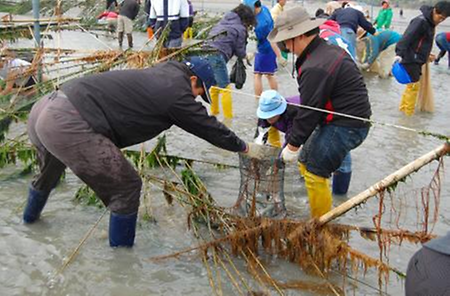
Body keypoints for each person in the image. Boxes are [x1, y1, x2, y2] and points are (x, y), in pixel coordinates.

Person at [23, 57, 262, 248]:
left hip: (45, 107)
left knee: (49, 173)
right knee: (126, 186)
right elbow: (208, 128)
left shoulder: (163, 72)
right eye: (200, 91)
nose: (198, 98)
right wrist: (244, 147)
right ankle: (123, 265)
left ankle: (28, 225)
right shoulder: (176, 93)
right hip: (67, 121)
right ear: (192, 80)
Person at [268, 7, 371, 217]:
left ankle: (321, 224)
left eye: (288, 40)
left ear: (303, 35)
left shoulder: (317, 64)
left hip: (348, 125)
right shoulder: (318, 51)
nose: (286, 46)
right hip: (335, 118)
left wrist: (292, 144)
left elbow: (310, 111)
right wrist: (296, 147)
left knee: (316, 172)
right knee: (305, 162)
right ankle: (318, 204)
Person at [394, 2, 450, 116]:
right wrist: (399, 54)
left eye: (443, 19)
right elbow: (406, 38)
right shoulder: (421, 21)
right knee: (413, 87)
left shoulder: (430, 23)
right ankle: (407, 117)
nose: (440, 21)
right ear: (434, 11)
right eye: (440, 17)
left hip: (417, 59)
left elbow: (420, 43)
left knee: (411, 86)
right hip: (411, 59)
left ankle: (403, 111)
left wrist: (427, 55)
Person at [202, 4, 256, 119]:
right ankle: (228, 118)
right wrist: (247, 56)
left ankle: (214, 112)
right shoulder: (240, 28)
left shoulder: (222, 22)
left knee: (214, 84)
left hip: (204, 52)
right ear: (246, 18)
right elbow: (240, 51)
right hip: (216, 55)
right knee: (225, 87)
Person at [243, 0, 285, 99]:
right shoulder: (264, 9)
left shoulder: (261, 24)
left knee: (260, 74)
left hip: (265, 49)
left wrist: (279, 56)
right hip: (267, 47)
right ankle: (274, 97)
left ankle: (260, 99)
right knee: (268, 74)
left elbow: (268, 39)